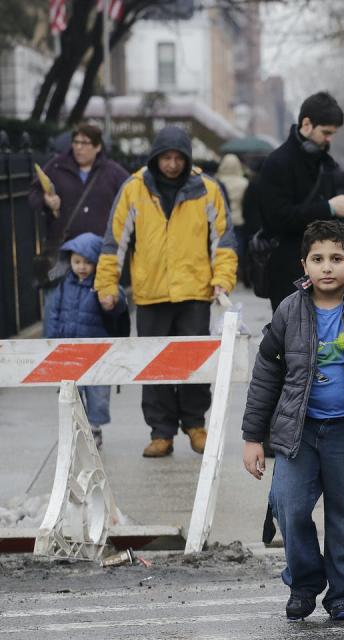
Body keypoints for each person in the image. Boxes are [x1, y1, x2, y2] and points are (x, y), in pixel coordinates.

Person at [241, 220, 344, 622]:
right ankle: (305, 582)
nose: (327, 267)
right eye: (318, 259)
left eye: (337, 259)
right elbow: (266, 374)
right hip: (298, 431)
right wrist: (253, 436)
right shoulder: (289, 310)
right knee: (289, 506)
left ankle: (343, 592)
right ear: (304, 265)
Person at [95, 126, 238, 458]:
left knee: (194, 362)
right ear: (155, 157)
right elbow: (114, 242)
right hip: (151, 293)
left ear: (187, 159)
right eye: (166, 158)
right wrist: (106, 284)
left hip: (195, 291)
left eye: (178, 158)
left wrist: (223, 279)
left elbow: (224, 240)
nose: (172, 164)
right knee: (153, 365)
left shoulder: (207, 189)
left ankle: (195, 424)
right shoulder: (133, 189)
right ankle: (161, 431)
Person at [257, 92, 344, 311]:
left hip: (325, 269)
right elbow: (277, 217)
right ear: (306, 124)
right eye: (326, 132)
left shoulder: (324, 161)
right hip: (287, 270)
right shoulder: (278, 163)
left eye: (333, 133)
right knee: (292, 338)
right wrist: (329, 207)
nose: (330, 139)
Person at [28, 123, 129, 334]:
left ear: (98, 146)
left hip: (98, 255)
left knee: (96, 312)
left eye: (85, 143)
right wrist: (48, 201)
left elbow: (131, 200)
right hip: (63, 254)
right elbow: (33, 194)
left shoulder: (112, 172)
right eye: (75, 142)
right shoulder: (57, 166)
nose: (79, 148)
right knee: (55, 308)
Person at [45, 232, 127, 449]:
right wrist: (51, 341)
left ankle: (94, 427)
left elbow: (117, 308)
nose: (81, 267)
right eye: (77, 262)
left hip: (96, 351)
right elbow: (53, 312)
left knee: (98, 393)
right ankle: (77, 428)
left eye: (88, 262)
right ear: (69, 261)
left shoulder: (103, 284)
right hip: (69, 350)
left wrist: (113, 302)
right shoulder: (63, 286)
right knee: (72, 393)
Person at [216, 154, 250, 279]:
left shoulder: (217, 181)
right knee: (239, 244)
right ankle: (237, 267)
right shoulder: (244, 183)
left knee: (224, 245)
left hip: (223, 218)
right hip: (239, 218)